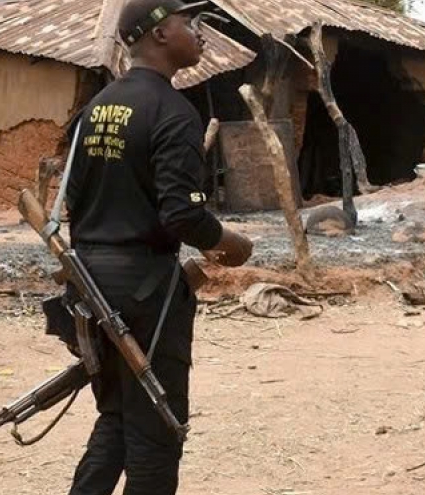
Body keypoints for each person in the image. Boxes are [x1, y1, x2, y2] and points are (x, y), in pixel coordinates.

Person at [64, 1, 253, 493]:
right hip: (145, 291)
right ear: (160, 34)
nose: (201, 33)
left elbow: (71, 201)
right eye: (190, 23)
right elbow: (182, 215)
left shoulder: (96, 108)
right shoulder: (173, 111)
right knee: (158, 431)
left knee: (118, 416)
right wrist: (232, 244)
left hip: (91, 284)